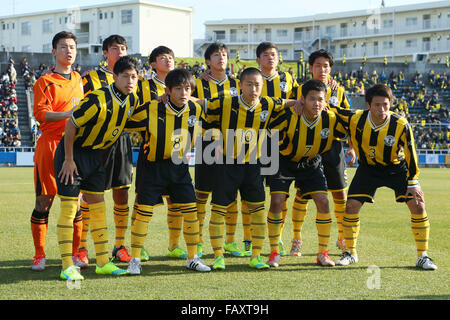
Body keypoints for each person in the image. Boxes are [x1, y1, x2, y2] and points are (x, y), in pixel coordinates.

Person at [198, 67, 297, 270]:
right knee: (218, 210)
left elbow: (287, 102)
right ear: (240, 85)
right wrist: (168, 97)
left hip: (253, 165)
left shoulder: (267, 104)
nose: (253, 88)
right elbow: (199, 102)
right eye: (249, 84)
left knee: (257, 211)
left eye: (257, 85)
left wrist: (300, 102)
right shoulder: (225, 102)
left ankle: (256, 256)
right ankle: (218, 256)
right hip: (227, 165)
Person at [334, 84, 437, 271]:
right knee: (351, 206)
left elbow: (411, 153)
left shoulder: (400, 124)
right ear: (368, 105)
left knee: (418, 204)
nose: (382, 109)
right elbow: (333, 110)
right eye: (377, 105)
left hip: (395, 169)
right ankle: (350, 252)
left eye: (386, 105)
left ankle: (422, 256)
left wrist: (413, 182)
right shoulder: (356, 118)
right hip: (368, 169)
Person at [54, 56, 140, 280]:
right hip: (73, 154)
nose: (130, 81)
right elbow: (71, 124)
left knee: (99, 209)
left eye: (134, 77)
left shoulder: (132, 100)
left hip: (95, 157)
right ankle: (66, 266)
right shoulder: (98, 99)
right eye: (125, 76)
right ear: (115, 77)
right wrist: (69, 159)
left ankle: (102, 262)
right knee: (70, 209)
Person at [125, 68, 211, 274]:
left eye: (187, 88)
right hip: (152, 167)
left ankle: (193, 258)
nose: (183, 93)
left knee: (191, 212)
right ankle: (135, 259)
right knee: (143, 213)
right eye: (178, 88)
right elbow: (126, 122)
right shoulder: (152, 108)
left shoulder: (195, 109)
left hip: (179, 166)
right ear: (168, 90)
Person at [267, 79, 349, 268]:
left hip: (311, 163)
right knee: (277, 200)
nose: (317, 103)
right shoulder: (289, 115)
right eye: (312, 99)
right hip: (284, 162)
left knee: (323, 200)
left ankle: (322, 252)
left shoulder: (331, 119)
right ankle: (274, 252)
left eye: (320, 99)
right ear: (302, 99)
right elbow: (268, 131)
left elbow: (351, 127)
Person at [77, 35, 134, 266]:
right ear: (104, 53)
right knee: (89, 196)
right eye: (114, 48)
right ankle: (81, 247)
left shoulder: (134, 78)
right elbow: (78, 108)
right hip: (94, 144)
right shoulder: (90, 78)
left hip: (121, 140)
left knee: (122, 194)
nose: (119, 52)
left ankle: (119, 245)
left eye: (123, 48)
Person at [291, 49, 356, 257]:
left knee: (340, 193)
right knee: (303, 193)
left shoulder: (339, 91)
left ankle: (343, 237)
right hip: (309, 147)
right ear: (311, 68)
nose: (322, 69)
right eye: (318, 65)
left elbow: (349, 121)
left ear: (331, 69)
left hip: (333, 146)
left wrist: (352, 147)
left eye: (326, 66)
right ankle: (296, 238)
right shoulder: (298, 90)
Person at [30, 31, 84, 272]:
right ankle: (39, 254)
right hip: (50, 145)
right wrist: (67, 115)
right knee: (44, 200)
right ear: (54, 52)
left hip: (75, 146)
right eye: (63, 46)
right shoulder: (44, 82)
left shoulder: (79, 80)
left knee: (76, 202)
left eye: (72, 46)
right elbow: (40, 114)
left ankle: (75, 253)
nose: (68, 50)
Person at [192, 42, 245, 257]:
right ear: (207, 61)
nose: (221, 57)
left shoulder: (238, 83)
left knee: (231, 194)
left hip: (234, 141)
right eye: (216, 55)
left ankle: (231, 241)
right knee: (202, 193)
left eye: (224, 54)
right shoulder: (198, 83)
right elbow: (185, 97)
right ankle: (197, 241)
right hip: (207, 139)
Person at [135, 45, 188, 260]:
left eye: (170, 57)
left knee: (175, 203)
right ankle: (140, 246)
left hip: (177, 153)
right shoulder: (142, 86)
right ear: (153, 64)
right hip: (151, 151)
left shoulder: (186, 84)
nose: (168, 60)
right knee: (142, 201)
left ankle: (174, 245)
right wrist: (154, 103)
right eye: (162, 57)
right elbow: (133, 112)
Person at [256, 41, 299, 256]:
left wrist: (331, 83)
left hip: (280, 142)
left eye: (273, 54)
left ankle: (278, 238)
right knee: (251, 194)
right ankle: (248, 240)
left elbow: (305, 97)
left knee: (278, 195)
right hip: (255, 141)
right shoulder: (250, 78)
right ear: (258, 59)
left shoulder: (288, 79)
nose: (270, 58)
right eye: (265, 54)